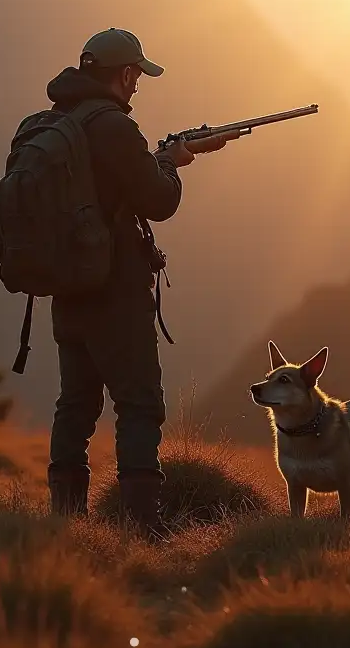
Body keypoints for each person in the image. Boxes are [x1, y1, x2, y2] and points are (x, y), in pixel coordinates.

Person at [43, 28, 235, 533]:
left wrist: (156, 160)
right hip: (114, 290)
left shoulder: (58, 122)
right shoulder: (114, 127)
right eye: (136, 75)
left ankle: (64, 524)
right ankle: (139, 530)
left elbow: (107, 188)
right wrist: (172, 165)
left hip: (67, 286)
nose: (137, 86)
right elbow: (158, 201)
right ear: (124, 73)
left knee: (76, 404)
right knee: (139, 402)